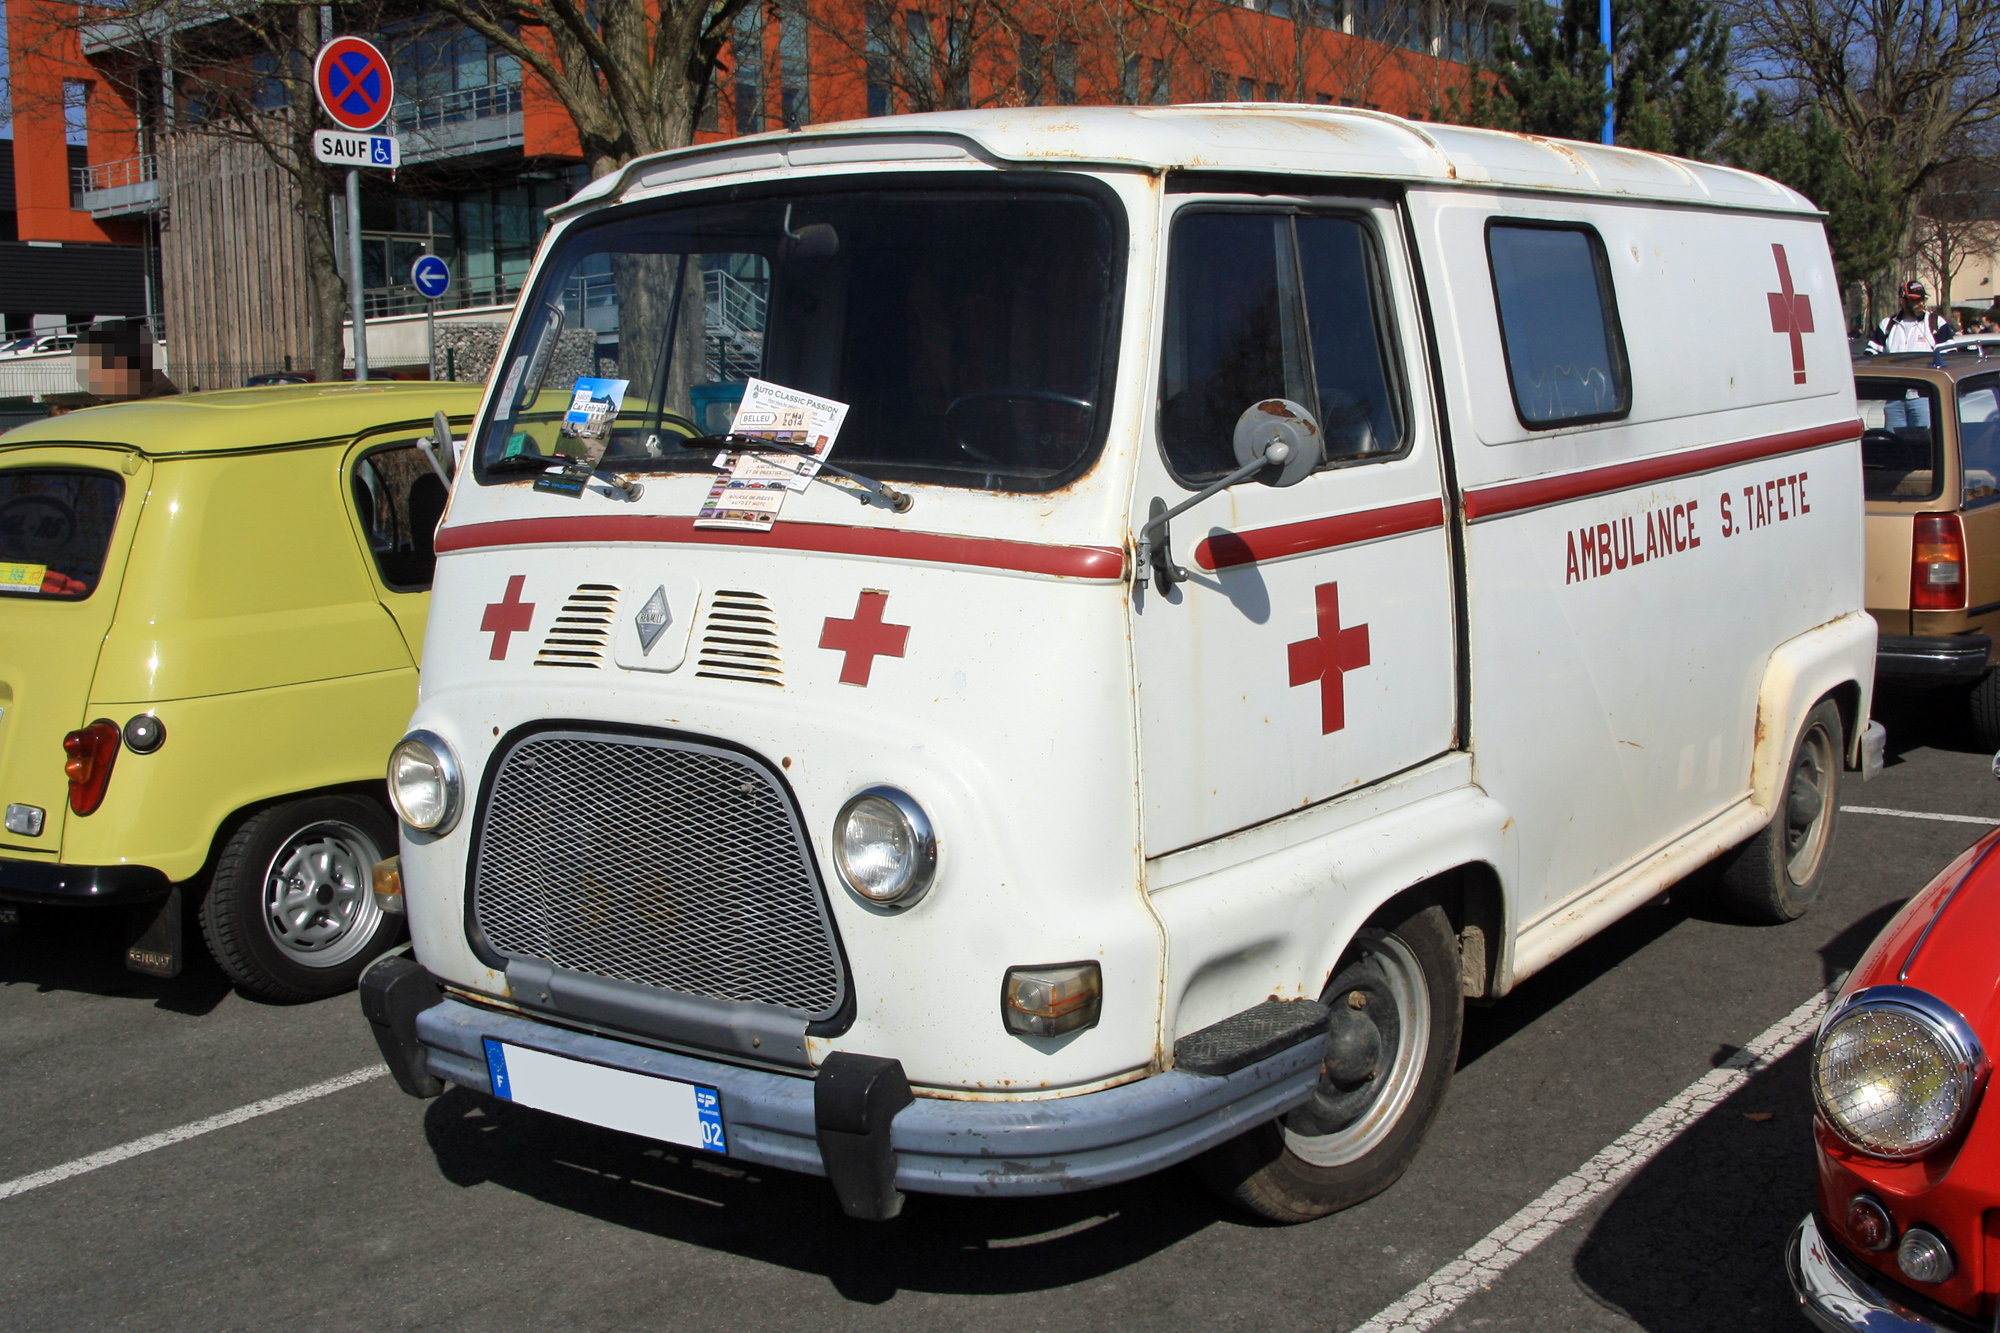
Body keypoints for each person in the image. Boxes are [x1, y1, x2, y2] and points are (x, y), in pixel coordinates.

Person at [1868, 280, 1956, 354]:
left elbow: (1949, 358)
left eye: (1922, 299)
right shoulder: (1887, 325)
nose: (1921, 303)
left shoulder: (1937, 323)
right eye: (1916, 300)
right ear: (1903, 301)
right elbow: (1871, 357)